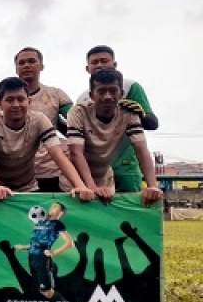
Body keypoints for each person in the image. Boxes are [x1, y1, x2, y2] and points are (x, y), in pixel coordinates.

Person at [0, 77, 93, 201]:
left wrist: (80, 186)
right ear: (0, 103)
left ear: (29, 101)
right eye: (9, 100)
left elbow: (58, 156)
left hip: (27, 188)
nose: (16, 104)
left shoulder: (39, 120)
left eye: (21, 99)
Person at [67, 69, 163, 206]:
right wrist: (90, 187)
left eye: (113, 91)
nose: (107, 96)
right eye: (101, 91)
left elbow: (141, 150)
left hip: (104, 179)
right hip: (75, 180)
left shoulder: (129, 113)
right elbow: (76, 153)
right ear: (91, 95)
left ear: (122, 94)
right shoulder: (78, 112)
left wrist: (152, 185)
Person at [76, 45, 159, 192]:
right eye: (95, 62)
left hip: (126, 165)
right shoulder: (82, 99)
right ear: (87, 68)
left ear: (114, 65)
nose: (100, 65)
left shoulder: (130, 86)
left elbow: (152, 123)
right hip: (96, 170)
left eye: (104, 61)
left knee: (129, 209)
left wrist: (140, 114)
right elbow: (78, 137)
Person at [0, 47, 74, 192]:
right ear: (16, 69)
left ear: (41, 66)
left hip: (50, 170)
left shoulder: (56, 94)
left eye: (31, 61)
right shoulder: (0, 98)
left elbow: (75, 120)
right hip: (17, 172)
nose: (26, 65)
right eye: (21, 63)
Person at [15, 202, 73, 302]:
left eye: (55, 207)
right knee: (39, 289)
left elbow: (70, 243)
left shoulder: (57, 224)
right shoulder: (40, 222)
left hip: (42, 259)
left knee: (47, 291)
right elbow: (35, 243)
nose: (51, 208)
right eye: (51, 206)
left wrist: (54, 252)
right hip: (32, 258)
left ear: (61, 213)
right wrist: (23, 247)